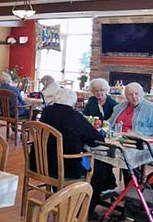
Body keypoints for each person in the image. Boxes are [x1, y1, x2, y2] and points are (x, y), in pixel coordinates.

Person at [38, 88, 116, 220]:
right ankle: (86, 212)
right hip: (65, 165)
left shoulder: (46, 111)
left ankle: (63, 196)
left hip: (40, 162)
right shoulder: (74, 116)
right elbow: (95, 140)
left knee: (95, 165)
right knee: (100, 169)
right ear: (73, 102)